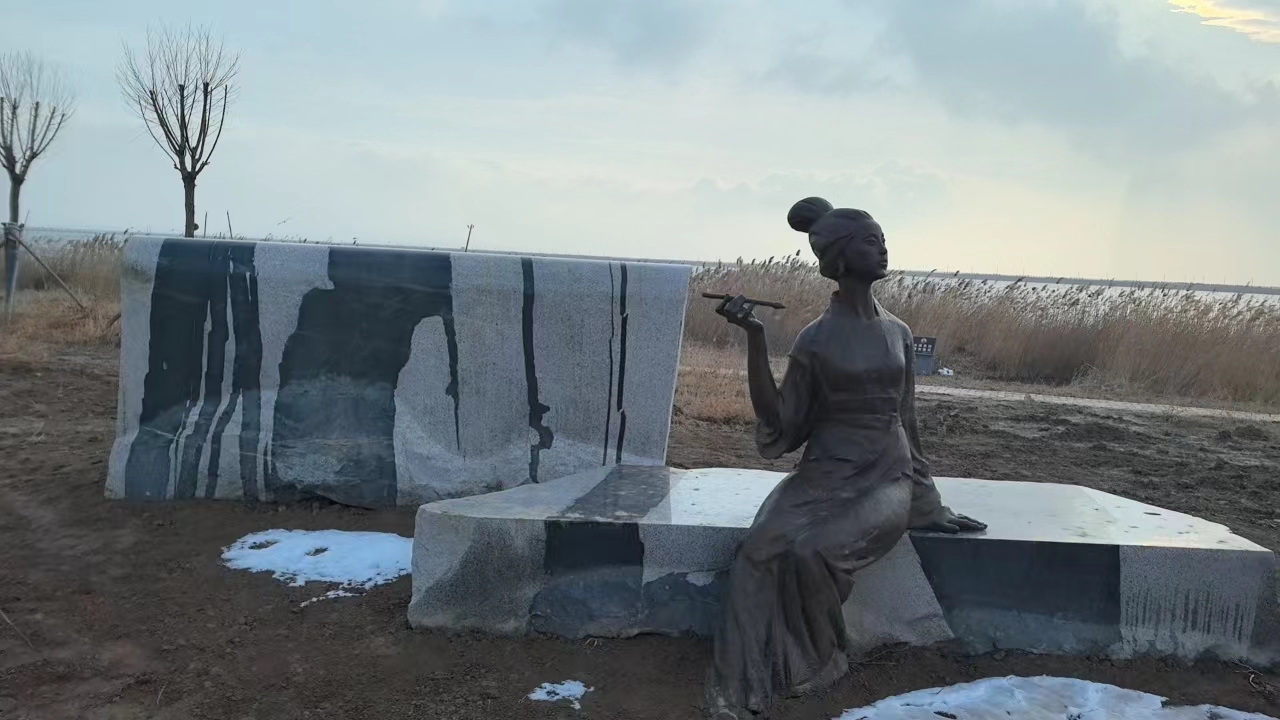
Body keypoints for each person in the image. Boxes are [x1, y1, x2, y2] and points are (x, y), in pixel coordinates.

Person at [705, 197, 986, 719]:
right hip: (822, 473)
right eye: (871, 241)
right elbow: (782, 421)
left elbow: (907, 420)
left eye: (882, 240)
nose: (883, 250)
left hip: (885, 475)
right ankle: (740, 684)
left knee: (814, 550)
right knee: (755, 552)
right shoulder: (816, 338)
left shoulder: (898, 332)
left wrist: (928, 503)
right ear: (839, 257)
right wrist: (755, 339)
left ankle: (822, 659)